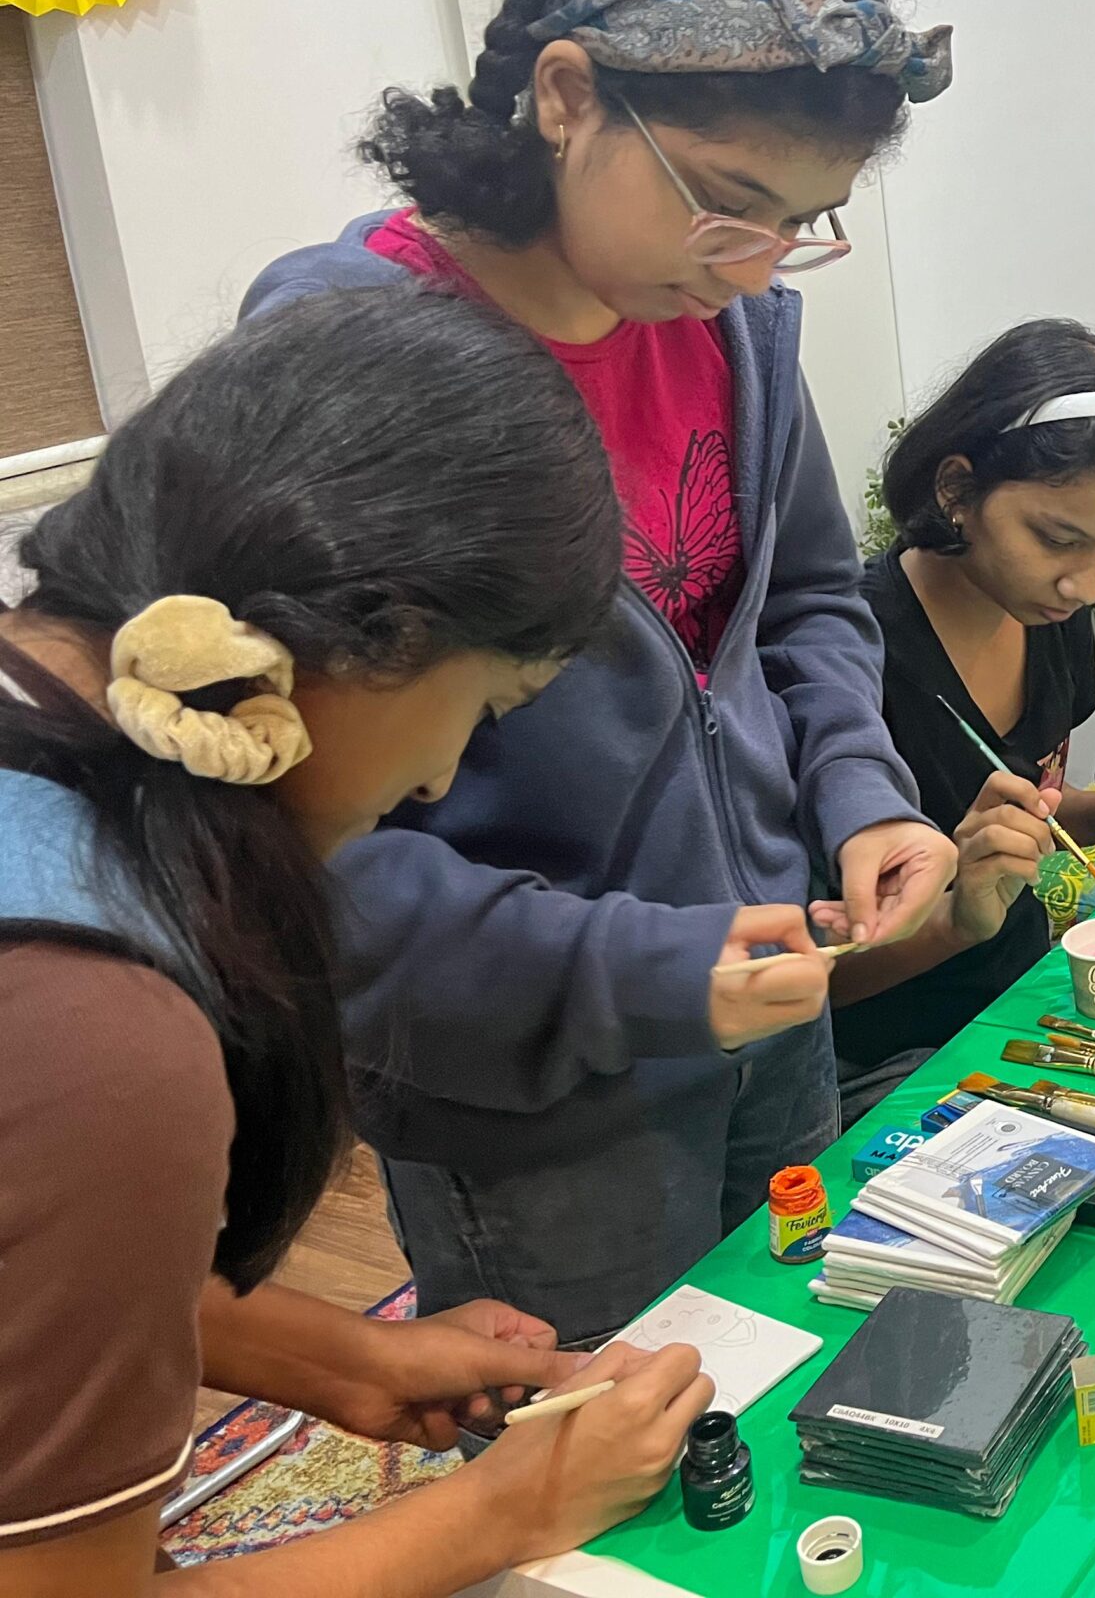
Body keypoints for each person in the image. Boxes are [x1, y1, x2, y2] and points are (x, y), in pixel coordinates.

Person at [237, 0, 960, 1342]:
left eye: (802, 222)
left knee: (784, 1380)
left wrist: (860, 793)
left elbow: (806, 602)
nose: (754, 266)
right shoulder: (350, 365)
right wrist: (642, 970)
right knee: (588, 1444)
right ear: (565, 96)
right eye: (727, 204)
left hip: (770, 989)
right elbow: (287, 833)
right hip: (531, 1071)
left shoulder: (729, 328)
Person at [0, 287, 717, 1596]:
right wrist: (500, 1514)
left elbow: (39, 1256)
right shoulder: (99, 1029)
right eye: (484, 709)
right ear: (371, 637)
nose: (440, 778)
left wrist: (342, 1357)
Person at [830, 319, 1095, 1110]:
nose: (1085, 584)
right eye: (1057, 539)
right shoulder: (843, 660)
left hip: (1020, 1004)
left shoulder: (1045, 612)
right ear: (956, 491)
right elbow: (803, 980)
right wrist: (955, 920)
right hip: (888, 1060)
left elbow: (1028, 806)